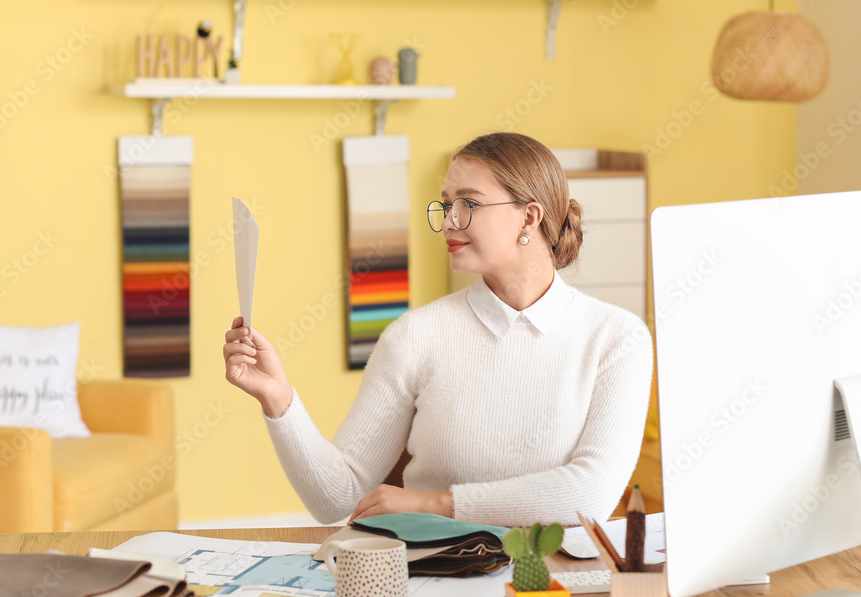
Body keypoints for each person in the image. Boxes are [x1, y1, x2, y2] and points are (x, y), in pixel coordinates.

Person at [223, 132, 654, 527]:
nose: (449, 221)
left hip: (554, 586)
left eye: (468, 204)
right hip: (436, 574)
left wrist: (433, 503)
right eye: (446, 205)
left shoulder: (616, 338)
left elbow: (590, 495)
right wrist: (279, 399)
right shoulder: (415, 335)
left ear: (529, 217)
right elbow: (337, 497)